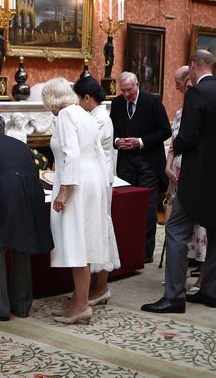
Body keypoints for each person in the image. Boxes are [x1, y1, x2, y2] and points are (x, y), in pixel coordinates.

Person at [142, 50, 216, 313]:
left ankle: (173, 296)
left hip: (196, 175)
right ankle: (210, 292)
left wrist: (174, 148)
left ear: (193, 66)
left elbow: (189, 135)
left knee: (175, 229)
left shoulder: (195, 93)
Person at [0, 113, 53, 321]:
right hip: (31, 196)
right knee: (21, 248)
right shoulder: (22, 146)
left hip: (3, 196)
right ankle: (22, 305)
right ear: (4, 129)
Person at [42, 78, 111, 325]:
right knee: (85, 240)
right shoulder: (84, 113)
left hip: (76, 184)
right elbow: (100, 153)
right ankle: (77, 301)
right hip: (92, 181)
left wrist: (62, 193)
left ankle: (81, 304)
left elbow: (70, 153)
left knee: (75, 242)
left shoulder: (64, 116)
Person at [109, 71, 172, 263]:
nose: (127, 94)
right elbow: (111, 131)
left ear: (137, 85)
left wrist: (141, 141)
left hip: (149, 163)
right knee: (127, 206)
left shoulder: (152, 102)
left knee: (147, 208)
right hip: (126, 163)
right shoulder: (118, 103)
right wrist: (118, 141)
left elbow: (165, 131)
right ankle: (127, 250)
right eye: (123, 90)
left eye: (129, 89)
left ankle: (144, 254)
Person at [73, 76, 120, 306]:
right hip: (99, 177)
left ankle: (100, 288)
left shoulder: (99, 118)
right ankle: (95, 288)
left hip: (100, 179)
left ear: (87, 98)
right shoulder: (96, 115)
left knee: (99, 230)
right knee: (96, 229)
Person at [163, 66, 207, 290]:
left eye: (179, 83)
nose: (177, 87)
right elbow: (173, 143)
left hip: (195, 176)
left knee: (200, 228)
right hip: (176, 177)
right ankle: (177, 276)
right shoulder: (181, 114)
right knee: (175, 228)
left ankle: (201, 279)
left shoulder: (200, 110)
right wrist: (168, 167)